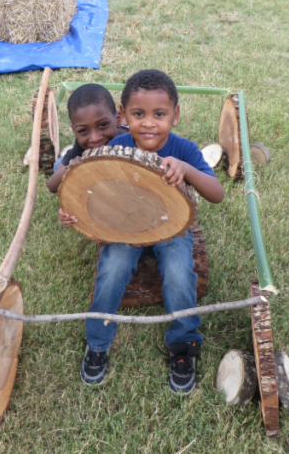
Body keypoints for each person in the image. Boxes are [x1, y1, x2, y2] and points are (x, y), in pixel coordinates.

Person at [62, 69, 224, 394]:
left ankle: (183, 345)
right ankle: (97, 343)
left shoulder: (185, 150)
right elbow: (90, 188)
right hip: (125, 226)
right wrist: (74, 213)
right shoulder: (115, 147)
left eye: (159, 114)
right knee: (111, 268)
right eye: (138, 114)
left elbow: (216, 193)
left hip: (173, 229)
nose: (149, 123)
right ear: (123, 115)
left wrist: (187, 170)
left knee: (179, 272)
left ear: (175, 116)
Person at [46, 83, 128, 196]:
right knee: (59, 166)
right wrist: (80, 164)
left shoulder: (133, 140)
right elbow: (52, 186)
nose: (94, 139)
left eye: (102, 125)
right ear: (74, 131)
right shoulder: (85, 146)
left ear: (118, 120)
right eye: (83, 130)